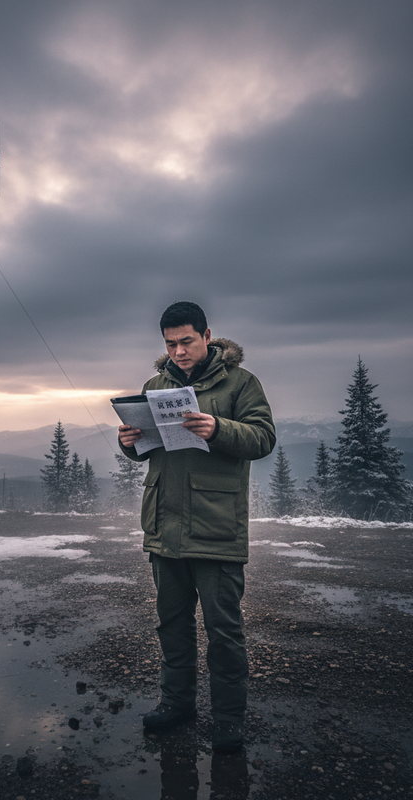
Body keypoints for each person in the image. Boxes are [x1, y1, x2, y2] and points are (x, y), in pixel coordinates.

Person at [118, 300, 275, 753]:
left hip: (216, 527)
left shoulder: (241, 383)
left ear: (208, 336)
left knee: (223, 631)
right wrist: (130, 442)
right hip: (165, 526)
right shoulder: (154, 385)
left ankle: (228, 719)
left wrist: (218, 427)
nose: (179, 351)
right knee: (172, 624)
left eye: (187, 341)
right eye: (170, 344)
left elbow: (263, 438)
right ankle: (177, 704)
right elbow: (147, 449)